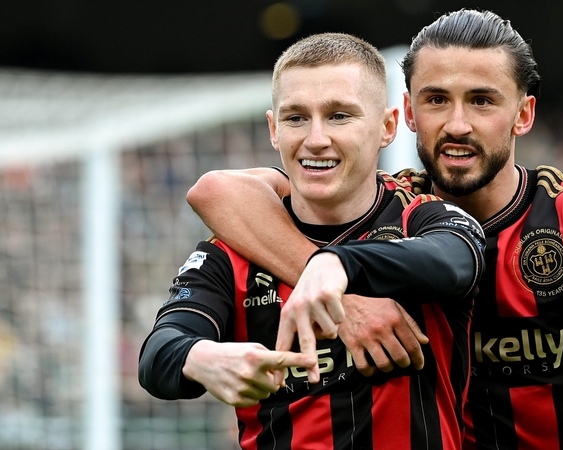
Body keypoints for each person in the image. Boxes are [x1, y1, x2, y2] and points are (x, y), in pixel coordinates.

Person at [186, 10, 563, 449]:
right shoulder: (384, 207)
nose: (457, 124)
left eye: (482, 101)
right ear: (408, 113)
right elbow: (218, 191)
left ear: (523, 114)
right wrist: (346, 294)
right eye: (437, 100)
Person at [138, 32, 486, 450]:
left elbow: (456, 262)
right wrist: (204, 359)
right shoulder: (230, 254)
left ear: (387, 127)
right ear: (273, 129)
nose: (315, 138)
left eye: (339, 116)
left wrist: (336, 265)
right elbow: (159, 353)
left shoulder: (422, 217)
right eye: (296, 118)